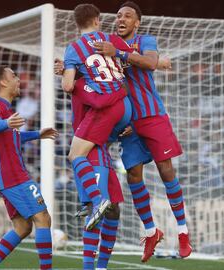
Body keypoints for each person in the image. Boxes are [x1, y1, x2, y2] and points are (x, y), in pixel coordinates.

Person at [93, 1, 192, 261]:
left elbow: (149, 63)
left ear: (137, 22)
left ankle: (183, 232)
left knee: (165, 169)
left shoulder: (145, 40)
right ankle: (151, 231)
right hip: (128, 123)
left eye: (127, 16)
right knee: (133, 176)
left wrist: (121, 53)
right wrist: (67, 69)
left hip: (153, 115)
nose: (121, 19)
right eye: (118, 15)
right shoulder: (108, 42)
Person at [0, 65, 58, 270]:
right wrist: (6, 122)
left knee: (22, 227)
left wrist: (37, 134)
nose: (18, 79)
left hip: (8, 176)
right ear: (3, 82)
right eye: (13, 76)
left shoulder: (7, 110)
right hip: (14, 176)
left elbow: (14, 137)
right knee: (43, 218)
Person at [61, 3, 134, 230]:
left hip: (104, 109)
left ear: (77, 23)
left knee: (75, 154)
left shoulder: (74, 48)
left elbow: (67, 85)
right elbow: (129, 61)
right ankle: (89, 200)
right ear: (97, 20)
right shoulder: (111, 39)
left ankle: (97, 199)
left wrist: (67, 72)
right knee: (94, 150)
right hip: (126, 106)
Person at [71, 78, 125, 270]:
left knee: (114, 210)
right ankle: (88, 267)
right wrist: (122, 90)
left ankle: (101, 267)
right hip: (90, 149)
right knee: (97, 209)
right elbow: (99, 102)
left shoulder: (98, 81)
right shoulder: (82, 83)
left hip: (102, 150)